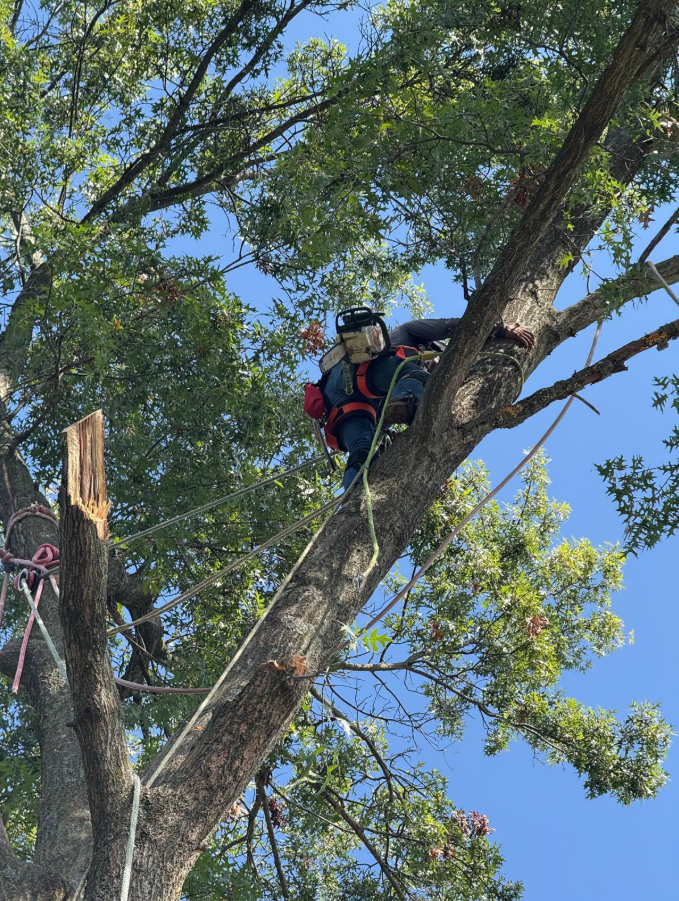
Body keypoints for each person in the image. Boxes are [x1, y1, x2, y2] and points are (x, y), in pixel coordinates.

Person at [321, 316, 535, 490]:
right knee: (411, 371)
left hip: (343, 404)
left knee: (363, 449)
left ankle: (352, 491)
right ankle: (407, 401)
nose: (435, 368)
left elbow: (384, 415)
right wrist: (499, 328)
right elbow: (455, 325)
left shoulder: (387, 388)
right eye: (436, 362)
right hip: (358, 373)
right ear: (430, 348)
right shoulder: (408, 333)